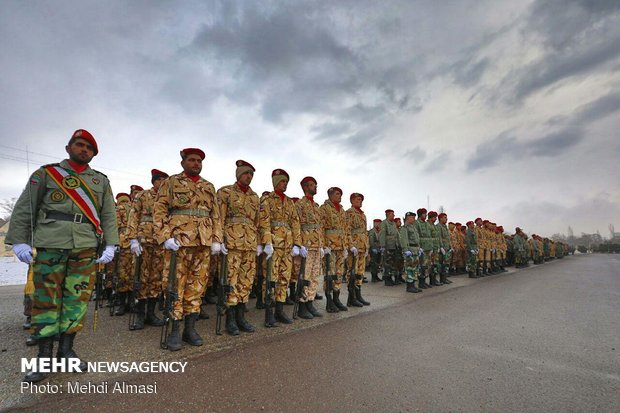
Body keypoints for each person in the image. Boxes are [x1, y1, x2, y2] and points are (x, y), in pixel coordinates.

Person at [6, 129, 119, 382]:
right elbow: (26, 208)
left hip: (85, 247)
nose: (84, 150)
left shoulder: (100, 181)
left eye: (89, 148)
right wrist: (20, 240)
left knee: (76, 300)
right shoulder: (46, 174)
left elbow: (109, 215)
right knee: (46, 301)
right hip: (51, 244)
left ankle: (66, 351)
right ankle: (44, 358)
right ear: (68, 148)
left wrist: (111, 245)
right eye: (80, 145)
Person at [153, 148, 223, 351]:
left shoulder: (208, 186)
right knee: (175, 285)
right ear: (183, 162)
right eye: (192, 160)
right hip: (179, 241)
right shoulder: (172, 182)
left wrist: (217, 239)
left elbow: (215, 215)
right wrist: (165, 236)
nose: (196, 163)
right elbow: (159, 210)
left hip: (203, 242)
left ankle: (190, 328)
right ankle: (175, 329)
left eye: (199, 161)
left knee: (197, 285)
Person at [216, 160, 269, 335]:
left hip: (250, 244)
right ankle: (230, 319)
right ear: (238, 174)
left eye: (251, 174)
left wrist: (263, 242)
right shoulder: (225, 192)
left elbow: (260, 222)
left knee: (246, 281)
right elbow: (219, 218)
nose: (249, 177)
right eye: (246, 173)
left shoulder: (255, 197)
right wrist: (218, 239)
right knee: (231, 280)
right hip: (231, 243)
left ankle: (241, 317)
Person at [126, 169, 169, 328]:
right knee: (141, 277)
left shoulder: (168, 198)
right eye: (162, 181)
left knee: (156, 279)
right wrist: (132, 239)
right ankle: (139, 314)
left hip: (160, 242)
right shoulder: (143, 196)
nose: (164, 184)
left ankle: (151, 313)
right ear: (155, 181)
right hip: (143, 241)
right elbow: (133, 216)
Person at [259, 169, 302, 324]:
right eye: (282, 181)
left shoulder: (290, 202)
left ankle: (279, 310)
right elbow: (264, 222)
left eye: (286, 182)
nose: (285, 184)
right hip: (274, 246)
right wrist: (267, 242)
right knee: (270, 278)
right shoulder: (267, 199)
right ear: (276, 182)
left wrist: (297, 243)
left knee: (284, 277)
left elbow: (295, 223)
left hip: (287, 246)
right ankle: (269, 311)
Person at [294, 176, 325, 319]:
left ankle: (310, 303)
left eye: (315, 184)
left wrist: (322, 245)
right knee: (304, 277)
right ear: (306, 187)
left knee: (314, 276)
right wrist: (298, 244)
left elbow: (320, 227)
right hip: (306, 246)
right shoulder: (299, 205)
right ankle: (302, 305)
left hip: (316, 246)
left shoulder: (316, 206)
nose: (315, 187)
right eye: (313, 185)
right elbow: (296, 225)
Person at [320, 187, 351, 312]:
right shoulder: (324, 209)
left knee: (338, 273)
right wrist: (323, 245)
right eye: (337, 194)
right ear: (330, 195)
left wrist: (347, 246)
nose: (340, 196)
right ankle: (329, 301)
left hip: (340, 246)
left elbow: (346, 229)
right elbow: (321, 227)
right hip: (330, 247)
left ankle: (336, 298)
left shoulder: (342, 211)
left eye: (341, 194)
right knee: (329, 274)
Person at [345, 193, 370, 306]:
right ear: (352, 200)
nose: (360, 201)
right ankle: (351, 298)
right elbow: (347, 230)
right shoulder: (349, 213)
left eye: (361, 200)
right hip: (354, 247)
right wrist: (350, 246)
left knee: (360, 272)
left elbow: (365, 232)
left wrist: (367, 247)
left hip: (362, 247)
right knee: (352, 272)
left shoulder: (362, 215)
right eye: (358, 199)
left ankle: (358, 295)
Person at [399, 212, 422, 293]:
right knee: (409, 268)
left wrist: (419, 248)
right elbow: (403, 239)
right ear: (408, 218)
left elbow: (417, 239)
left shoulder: (413, 227)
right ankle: (409, 286)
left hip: (415, 250)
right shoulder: (405, 228)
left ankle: (413, 285)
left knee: (415, 268)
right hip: (410, 250)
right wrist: (405, 250)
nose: (414, 219)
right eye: (412, 217)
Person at [379, 209, 399, 287]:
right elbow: (382, 235)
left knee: (393, 263)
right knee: (387, 263)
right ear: (387, 215)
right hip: (387, 246)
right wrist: (383, 246)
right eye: (392, 214)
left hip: (394, 246)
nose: (393, 215)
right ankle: (387, 279)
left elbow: (396, 235)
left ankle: (391, 277)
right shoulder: (384, 223)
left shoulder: (393, 223)